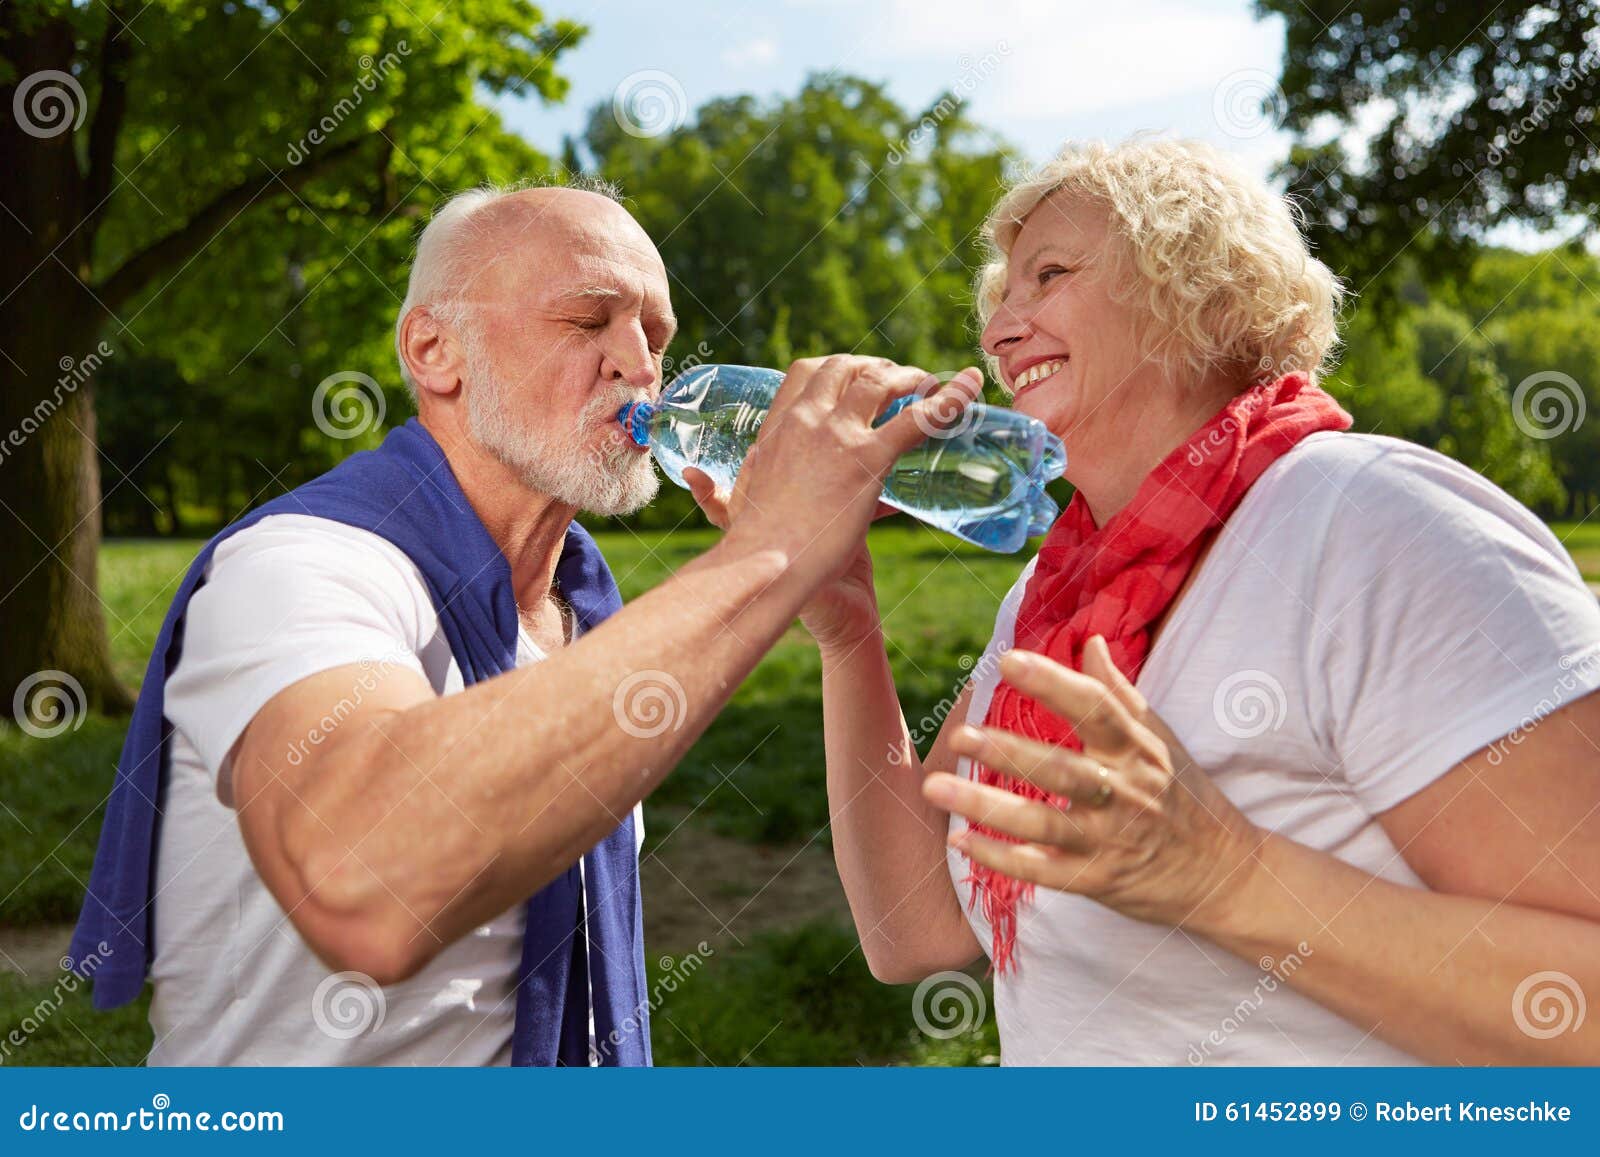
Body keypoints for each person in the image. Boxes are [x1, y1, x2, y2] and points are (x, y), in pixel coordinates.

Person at [723, 138, 1600, 1065]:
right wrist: (848, 625)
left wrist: (1231, 879)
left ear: (1201, 291)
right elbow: (916, 930)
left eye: (1049, 275)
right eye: (999, 301)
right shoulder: (1053, 594)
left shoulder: (1376, 521)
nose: (998, 332)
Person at [69, 178, 981, 1065]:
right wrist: (769, 551)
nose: (639, 362)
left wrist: (836, 606)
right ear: (434, 351)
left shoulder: (584, 607)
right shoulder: (300, 567)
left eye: (654, 332)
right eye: (588, 321)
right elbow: (363, 884)